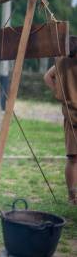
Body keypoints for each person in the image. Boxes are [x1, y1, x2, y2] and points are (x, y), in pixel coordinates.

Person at [43, 37, 77, 205]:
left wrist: (61, 93)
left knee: (73, 158)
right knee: (73, 159)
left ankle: (72, 196)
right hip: (72, 114)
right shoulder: (64, 61)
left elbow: (48, 77)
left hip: (70, 112)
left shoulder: (61, 61)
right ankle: (73, 196)